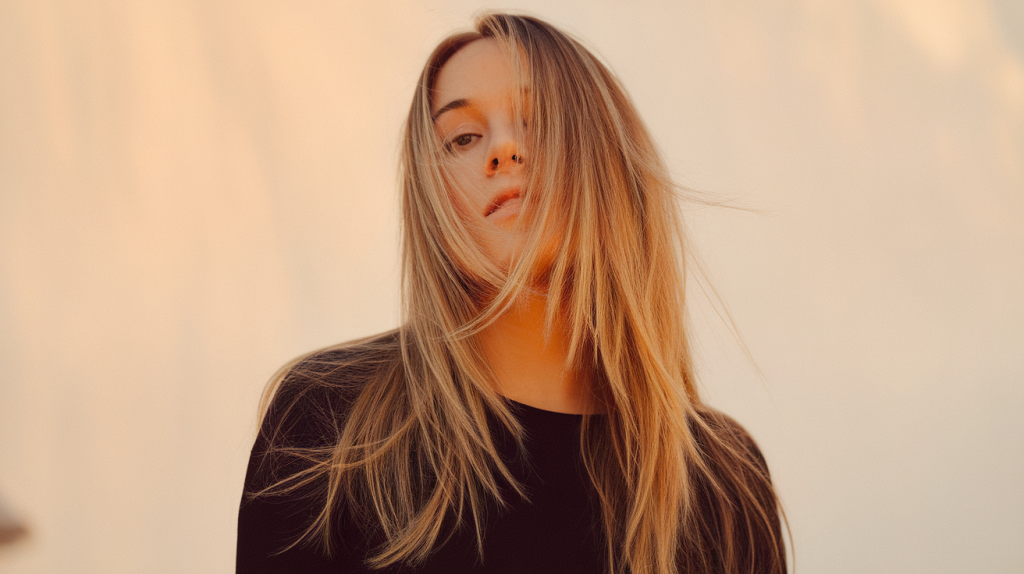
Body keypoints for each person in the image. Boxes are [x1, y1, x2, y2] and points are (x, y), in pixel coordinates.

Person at [237, 12, 786, 574]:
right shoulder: (332, 423)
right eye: (463, 138)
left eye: (538, 118)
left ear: (609, 158)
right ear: (432, 198)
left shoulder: (726, 482)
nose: (501, 150)